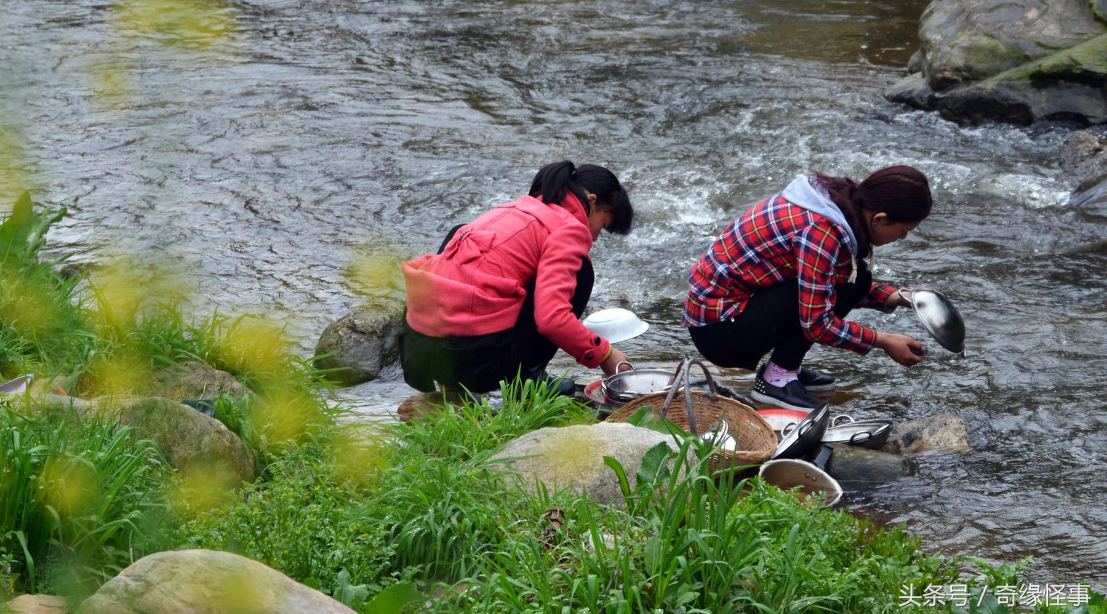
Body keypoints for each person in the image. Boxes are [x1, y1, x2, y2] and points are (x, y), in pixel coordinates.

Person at [682, 166, 933, 411]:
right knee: (850, 284)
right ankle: (777, 379)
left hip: (732, 312)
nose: (902, 238)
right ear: (880, 219)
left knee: (858, 279)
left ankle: (783, 368)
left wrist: (901, 298)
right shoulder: (822, 231)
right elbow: (817, 324)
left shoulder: (835, 203)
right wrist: (883, 340)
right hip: (720, 331)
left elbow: (830, 282)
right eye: (902, 231)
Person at [400, 161, 635, 395]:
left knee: (459, 231)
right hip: (474, 365)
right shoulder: (567, 229)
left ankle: (451, 386)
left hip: (417, 355)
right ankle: (524, 381)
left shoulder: (513, 209)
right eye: (602, 226)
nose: (594, 238)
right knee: (582, 272)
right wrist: (605, 355)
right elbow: (552, 319)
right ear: (591, 201)